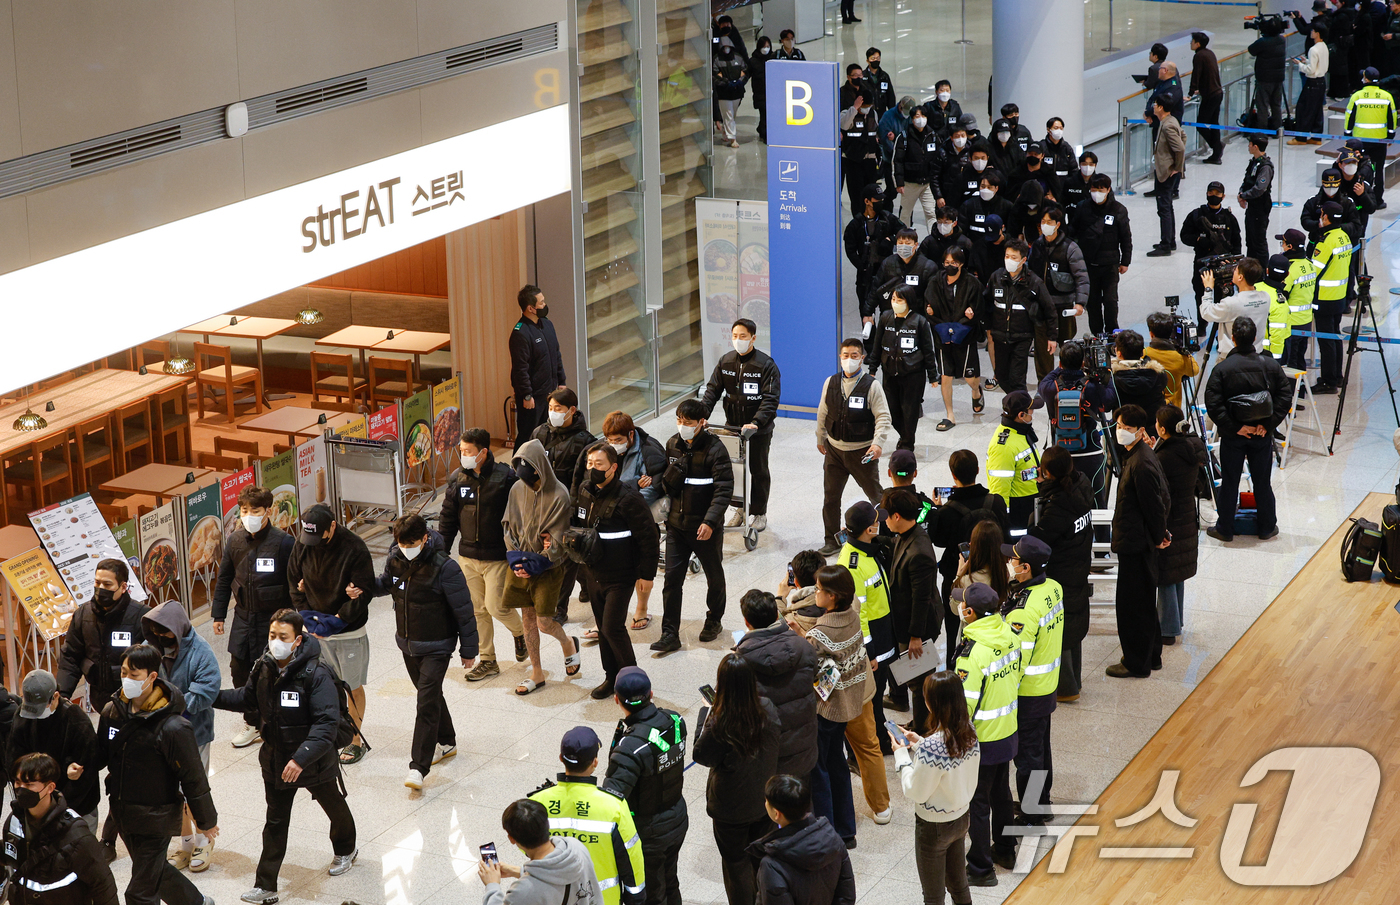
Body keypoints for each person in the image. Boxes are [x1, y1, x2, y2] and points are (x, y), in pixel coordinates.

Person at [213, 610, 357, 902]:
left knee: (333, 805)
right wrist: (210, 696)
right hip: (276, 758)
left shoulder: (316, 674)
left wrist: (301, 758)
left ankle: (346, 849)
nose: (275, 642)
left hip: (313, 759)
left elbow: (326, 724)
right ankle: (266, 886)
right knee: (276, 821)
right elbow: (247, 698)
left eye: (283, 637)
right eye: (272, 635)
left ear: (297, 640)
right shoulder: (264, 666)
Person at [96, 644, 218, 905]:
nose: (126, 679)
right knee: (154, 872)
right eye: (124, 673)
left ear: (152, 677)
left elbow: (193, 776)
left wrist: (206, 820)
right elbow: (99, 754)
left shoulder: (174, 727)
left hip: (156, 817)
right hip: (122, 812)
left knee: (140, 892)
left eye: (134, 675)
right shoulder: (112, 712)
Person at [374, 514, 477, 788]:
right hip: (408, 643)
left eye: (411, 542)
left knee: (425, 702)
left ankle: (418, 767)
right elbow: (387, 584)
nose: (406, 547)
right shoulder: (395, 559)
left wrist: (469, 649)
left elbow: (464, 611)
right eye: (400, 541)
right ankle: (447, 741)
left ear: (425, 538)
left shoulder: (446, 568)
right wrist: (359, 588)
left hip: (438, 645)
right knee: (429, 694)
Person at [787, 566, 873, 849]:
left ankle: (828, 831)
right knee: (837, 762)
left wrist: (800, 639)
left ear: (833, 597)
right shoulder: (852, 615)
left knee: (818, 768)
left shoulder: (821, 632)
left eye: (820, 589)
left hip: (826, 709)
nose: (816, 593)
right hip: (850, 702)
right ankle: (847, 830)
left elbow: (810, 668)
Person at [288, 503, 376, 764]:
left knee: (351, 685)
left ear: (333, 527)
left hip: (348, 631)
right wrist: (307, 616)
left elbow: (364, 591)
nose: (311, 543)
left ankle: (354, 740)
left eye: (318, 536)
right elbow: (293, 581)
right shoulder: (304, 543)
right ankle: (328, 735)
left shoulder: (354, 548)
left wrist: (337, 620)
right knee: (324, 687)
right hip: (315, 630)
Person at [571, 444, 660, 700]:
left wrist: (647, 575)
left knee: (612, 627)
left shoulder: (629, 498)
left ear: (613, 468)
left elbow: (649, 538)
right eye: (589, 463)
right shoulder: (585, 491)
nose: (592, 469)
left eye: (598, 464)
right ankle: (612, 677)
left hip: (621, 575)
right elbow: (578, 523)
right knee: (602, 627)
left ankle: (636, 684)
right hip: (593, 572)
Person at [693, 654, 781, 905]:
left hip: (730, 808)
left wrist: (706, 713)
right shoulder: (768, 708)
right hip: (764, 800)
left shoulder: (721, 722)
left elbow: (701, 754)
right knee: (761, 856)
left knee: (735, 864)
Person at [948, 583, 1020, 887]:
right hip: (1007, 728)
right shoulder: (1009, 634)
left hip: (983, 738)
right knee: (1002, 792)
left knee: (978, 801)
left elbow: (964, 705)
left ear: (969, 612)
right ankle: (1005, 850)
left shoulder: (972, 653)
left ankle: (980, 867)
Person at [140, 600, 220, 873]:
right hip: (160, 735)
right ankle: (186, 843)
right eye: (156, 631)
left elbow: (207, 690)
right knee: (172, 793)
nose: (161, 637)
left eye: (166, 631)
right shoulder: (151, 651)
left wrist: (172, 707)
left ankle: (202, 840)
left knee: (193, 788)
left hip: (193, 733)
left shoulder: (201, 652)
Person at [211, 486, 294, 747]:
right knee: (239, 669)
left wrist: (294, 621)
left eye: (254, 511)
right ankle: (252, 722)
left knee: (273, 671)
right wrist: (218, 615)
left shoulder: (283, 542)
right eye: (244, 510)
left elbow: (293, 584)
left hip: (272, 620)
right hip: (243, 617)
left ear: (268, 511)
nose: (248, 515)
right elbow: (224, 579)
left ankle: (276, 719)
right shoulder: (234, 540)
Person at [443, 427, 525, 682]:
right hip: (467, 556)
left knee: (496, 606)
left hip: (496, 557)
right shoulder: (458, 479)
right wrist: (441, 554)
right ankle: (488, 659)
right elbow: (447, 518)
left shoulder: (506, 478)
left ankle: (519, 631)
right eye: (461, 451)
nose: (463, 455)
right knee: (477, 610)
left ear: (483, 453)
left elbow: (519, 517)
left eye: (468, 451)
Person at [527, 727, 645, 905]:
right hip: (601, 899)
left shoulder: (537, 803)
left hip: (552, 897)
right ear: (595, 762)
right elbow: (630, 855)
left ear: (561, 758)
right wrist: (635, 896)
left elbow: (525, 845)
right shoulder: (613, 806)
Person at [890, 671, 979, 905]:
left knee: (933, 895)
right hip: (961, 818)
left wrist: (901, 754)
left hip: (933, 827)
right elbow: (949, 761)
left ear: (932, 703)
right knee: (959, 885)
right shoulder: (969, 730)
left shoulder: (933, 746)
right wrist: (919, 742)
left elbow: (915, 791)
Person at [603, 667, 687, 905]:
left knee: (653, 893)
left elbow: (612, 799)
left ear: (617, 699)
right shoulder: (676, 720)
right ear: (651, 693)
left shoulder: (630, 746)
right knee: (670, 882)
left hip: (649, 832)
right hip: (678, 818)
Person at [654, 399, 733, 653]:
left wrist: (710, 521)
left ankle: (714, 620)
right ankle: (670, 633)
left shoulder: (715, 450)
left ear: (701, 423)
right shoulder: (672, 445)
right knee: (672, 580)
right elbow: (668, 484)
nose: (682, 427)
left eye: (687, 423)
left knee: (714, 576)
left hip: (704, 528)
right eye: (679, 421)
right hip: (676, 526)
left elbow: (723, 491)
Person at [1205, 318, 1293, 544]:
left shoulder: (1222, 368)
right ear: (1255, 338)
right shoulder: (1270, 365)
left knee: (1230, 481)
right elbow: (1285, 396)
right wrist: (1269, 424)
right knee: (1262, 481)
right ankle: (1266, 527)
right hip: (1262, 435)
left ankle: (1225, 528)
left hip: (1234, 436)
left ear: (1233, 338)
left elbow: (1214, 405)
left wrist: (1236, 427)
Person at [503, 439, 581, 694]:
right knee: (527, 619)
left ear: (540, 470)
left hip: (548, 567)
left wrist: (538, 561)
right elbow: (508, 526)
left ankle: (567, 642)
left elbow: (558, 539)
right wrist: (517, 559)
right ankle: (537, 672)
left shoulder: (559, 494)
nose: (527, 483)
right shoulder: (517, 489)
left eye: (532, 478)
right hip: (520, 563)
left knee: (545, 621)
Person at [998, 537, 1063, 829]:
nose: (1008, 564)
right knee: (1041, 748)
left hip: (1028, 692)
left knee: (1028, 756)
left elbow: (1017, 660)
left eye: (1012, 560)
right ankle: (1041, 802)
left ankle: (1033, 814)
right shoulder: (1053, 587)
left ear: (1025, 568)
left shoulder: (1024, 610)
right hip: (1048, 684)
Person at [832, 503, 897, 780]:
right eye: (876, 521)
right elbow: (860, 616)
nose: (880, 523)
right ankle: (860, 751)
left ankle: (880, 737)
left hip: (884, 633)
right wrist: (869, 652)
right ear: (869, 528)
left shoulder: (867, 550)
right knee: (868, 700)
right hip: (873, 644)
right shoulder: (851, 564)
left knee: (878, 696)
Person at [1106, 405, 1171, 679]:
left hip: (1136, 543)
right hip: (1139, 539)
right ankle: (1151, 655)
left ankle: (1136, 662)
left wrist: (1159, 536)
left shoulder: (1141, 463)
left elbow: (1154, 505)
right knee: (1144, 601)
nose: (1120, 431)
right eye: (1118, 425)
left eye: (1126, 428)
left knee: (1133, 607)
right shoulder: (1140, 454)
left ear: (1141, 430)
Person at [2, 752, 119, 905]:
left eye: (29, 784)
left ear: (50, 787)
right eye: (17, 783)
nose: (21, 789)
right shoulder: (14, 821)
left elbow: (103, 886)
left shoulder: (77, 835)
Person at [1026, 448, 1094, 702]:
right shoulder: (1081, 484)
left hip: (1061, 570)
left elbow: (1039, 538)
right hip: (1078, 562)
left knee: (1061, 627)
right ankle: (1073, 680)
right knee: (1073, 622)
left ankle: (1066, 687)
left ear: (1048, 473)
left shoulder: (1059, 504)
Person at [701, 317, 781, 532]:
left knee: (758, 469)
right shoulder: (725, 362)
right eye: (735, 336)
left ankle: (759, 512)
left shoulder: (765, 364)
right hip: (732, 427)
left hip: (758, 429)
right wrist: (702, 415)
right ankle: (740, 508)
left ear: (753, 338)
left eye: (743, 336)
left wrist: (756, 422)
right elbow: (712, 391)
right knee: (733, 469)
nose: (738, 340)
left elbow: (770, 399)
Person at [816, 338, 891, 557]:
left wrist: (877, 444)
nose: (849, 359)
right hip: (834, 452)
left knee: (877, 497)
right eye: (845, 355)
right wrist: (820, 437)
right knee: (830, 498)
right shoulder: (830, 382)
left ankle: (886, 536)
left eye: (854, 356)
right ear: (840, 357)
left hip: (863, 452)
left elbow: (883, 417)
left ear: (862, 358)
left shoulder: (872, 385)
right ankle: (831, 540)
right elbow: (823, 411)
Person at [930, 451, 1008, 663]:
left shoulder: (947, 512)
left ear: (953, 476)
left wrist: (937, 511)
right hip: (996, 574)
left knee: (955, 631)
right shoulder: (997, 502)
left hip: (960, 578)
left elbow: (938, 540)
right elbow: (1006, 535)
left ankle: (955, 671)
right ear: (977, 471)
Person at [734, 589, 819, 778]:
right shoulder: (804, 646)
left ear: (747, 622)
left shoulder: (740, 663)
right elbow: (815, 677)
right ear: (776, 615)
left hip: (767, 755)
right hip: (804, 748)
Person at [593, 413, 666, 633]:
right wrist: (635, 484)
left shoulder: (650, 452)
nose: (613, 445)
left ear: (630, 435)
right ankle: (608, 619)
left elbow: (654, 488)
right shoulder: (602, 451)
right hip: (611, 519)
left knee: (641, 566)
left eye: (618, 440)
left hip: (638, 516)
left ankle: (641, 609)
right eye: (610, 440)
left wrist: (622, 502)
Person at [531, 386, 597, 624]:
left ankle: (559, 608)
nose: (553, 413)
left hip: (568, 507)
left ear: (572, 410)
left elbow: (584, 480)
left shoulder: (585, 442)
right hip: (542, 504)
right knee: (569, 555)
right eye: (550, 408)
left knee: (565, 558)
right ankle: (588, 584)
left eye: (558, 409)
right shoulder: (540, 433)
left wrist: (575, 509)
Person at [5, 670, 100, 832]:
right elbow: (13, 761)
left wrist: (57, 809)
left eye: (40, 708)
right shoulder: (22, 716)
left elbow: (87, 774)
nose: (34, 715)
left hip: (77, 806)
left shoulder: (77, 722)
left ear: (55, 696)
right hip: (36, 804)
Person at [883, 489, 940, 738]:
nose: (883, 520)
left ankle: (923, 728)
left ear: (896, 516)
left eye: (885, 515)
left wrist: (915, 636)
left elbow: (921, 598)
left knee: (919, 681)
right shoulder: (907, 533)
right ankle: (921, 723)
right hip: (908, 621)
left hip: (918, 626)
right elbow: (894, 545)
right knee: (917, 677)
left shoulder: (919, 553)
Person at [750, 775, 856, 905]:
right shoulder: (834, 838)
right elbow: (846, 895)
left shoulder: (772, 865)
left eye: (767, 801)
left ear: (777, 814)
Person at [56, 558, 146, 710]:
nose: (100, 588)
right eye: (97, 583)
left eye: (107, 584)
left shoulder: (141, 617)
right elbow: (70, 657)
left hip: (133, 702)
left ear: (123, 587)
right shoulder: (83, 615)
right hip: (100, 701)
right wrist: (62, 695)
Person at [1153, 405, 1208, 646]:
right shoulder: (1192, 446)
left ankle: (1167, 628)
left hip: (1171, 517)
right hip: (1187, 516)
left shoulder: (1165, 456)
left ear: (1162, 429)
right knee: (1178, 573)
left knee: (1166, 573)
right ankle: (1176, 621)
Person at [479, 799, 603, 905]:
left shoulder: (522, 893)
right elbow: (558, 877)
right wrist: (518, 871)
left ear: (511, 838)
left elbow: (539, 889)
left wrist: (492, 886)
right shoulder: (576, 846)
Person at [866, 287, 939, 451]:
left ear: (908, 301)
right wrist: (873, 368)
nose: (895, 303)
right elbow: (877, 345)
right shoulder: (885, 318)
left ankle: (907, 444)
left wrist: (933, 376)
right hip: (890, 372)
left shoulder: (920, 322)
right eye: (893, 299)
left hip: (913, 374)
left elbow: (928, 351)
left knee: (910, 411)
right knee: (891, 410)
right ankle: (905, 437)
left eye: (900, 300)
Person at [985, 238, 1056, 394]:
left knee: (1017, 378)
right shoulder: (996, 277)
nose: (1009, 260)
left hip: (1022, 337)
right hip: (999, 335)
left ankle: (1019, 410)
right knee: (1002, 376)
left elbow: (1049, 309)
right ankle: (1017, 404)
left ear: (1023, 260)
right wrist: (988, 327)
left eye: (1014, 257)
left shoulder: (1034, 282)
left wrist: (1052, 336)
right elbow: (986, 303)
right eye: (1007, 256)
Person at [925, 247, 985, 429]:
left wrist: (966, 319)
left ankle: (976, 391)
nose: (950, 266)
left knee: (970, 378)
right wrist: (943, 327)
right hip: (942, 335)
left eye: (954, 263)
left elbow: (977, 309)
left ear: (961, 264)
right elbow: (929, 307)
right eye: (947, 263)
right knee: (946, 376)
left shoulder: (972, 284)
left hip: (964, 335)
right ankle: (950, 415)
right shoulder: (935, 281)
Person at [1030, 208, 1088, 381]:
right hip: (1041, 307)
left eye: (1049, 222)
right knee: (1042, 349)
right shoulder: (1036, 246)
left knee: (1066, 346)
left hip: (1063, 306)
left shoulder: (1070, 248)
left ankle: (1070, 378)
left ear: (1058, 224)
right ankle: (1045, 382)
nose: (1045, 225)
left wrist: (1080, 303)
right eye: (1043, 222)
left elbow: (1082, 278)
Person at [1072, 173, 1132, 334]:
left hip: (1110, 264)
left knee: (1111, 301)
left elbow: (1125, 237)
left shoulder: (1118, 210)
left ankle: (1112, 331)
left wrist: (1125, 261)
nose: (1097, 192)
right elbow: (1073, 231)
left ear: (1108, 189)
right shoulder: (1082, 207)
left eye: (1101, 189)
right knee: (1093, 303)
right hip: (1088, 264)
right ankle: (1097, 334)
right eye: (1094, 188)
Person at [509, 284, 566, 450]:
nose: (545, 305)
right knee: (528, 434)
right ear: (530, 308)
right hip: (533, 397)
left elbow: (556, 354)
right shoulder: (520, 333)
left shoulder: (547, 324)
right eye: (541, 303)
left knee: (548, 432)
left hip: (550, 391)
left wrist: (561, 380)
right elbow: (520, 369)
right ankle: (519, 468)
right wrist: (527, 395)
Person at [1179, 181, 1242, 325]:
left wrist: (1235, 263)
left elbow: (1237, 241)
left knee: (1224, 299)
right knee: (1200, 295)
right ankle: (1202, 325)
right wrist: (1198, 240)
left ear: (1223, 196)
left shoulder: (1229, 218)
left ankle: (1221, 327)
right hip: (1203, 262)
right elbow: (1184, 236)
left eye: (1217, 193)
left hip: (1224, 265)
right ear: (1207, 194)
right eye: (1211, 193)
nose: (1214, 196)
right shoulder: (1196, 215)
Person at [1309, 201, 1356, 394]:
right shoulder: (1344, 237)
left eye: (1321, 214)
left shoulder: (1326, 241)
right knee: (1335, 336)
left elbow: (1314, 271)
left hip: (1325, 298)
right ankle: (1337, 376)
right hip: (1339, 296)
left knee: (1326, 339)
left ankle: (1329, 381)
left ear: (1326, 217)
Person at [987, 390, 1043, 532]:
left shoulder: (1020, 431)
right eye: (1031, 411)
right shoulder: (1003, 447)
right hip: (1018, 512)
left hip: (1030, 503)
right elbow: (999, 489)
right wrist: (1003, 521)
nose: (1033, 415)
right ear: (1021, 415)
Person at [843, 188, 904, 314]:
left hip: (887, 272)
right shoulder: (855, 224)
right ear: (867, 201)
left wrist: (890, 239)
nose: (881, 201)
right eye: (878, 199)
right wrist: (861, 266)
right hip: (866, 275)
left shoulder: (887, 218)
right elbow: (850, 249)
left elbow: (904, 232)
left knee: (888, 312)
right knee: (866, 313)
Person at [1345, 66, 1398, 208]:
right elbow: (1392, 118)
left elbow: (1349, 116)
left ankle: (1357, 199)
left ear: (1366, 79)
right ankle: (1378, 200)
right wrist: (1390, 136)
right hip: (1380, 140)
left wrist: (1347, 135)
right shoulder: (1387, 96)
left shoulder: (1357, 96)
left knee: (1358, 169)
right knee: (1378, 170)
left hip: (1359, 141)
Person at [866, 228, 940, 326]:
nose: (903, 246)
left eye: (908, 243)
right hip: (891, 316)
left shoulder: (928, 266)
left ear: (915, 245)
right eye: (900, 243)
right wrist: (867, 312)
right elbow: (875, 288)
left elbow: (933, 296)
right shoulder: (888, 263)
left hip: (917, 318)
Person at [1200, 256, 1270, 354]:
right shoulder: (1266, 298)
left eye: (1235, 270)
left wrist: (1208, 289)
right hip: (1256, 354)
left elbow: (1206, 312)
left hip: (1231, 357)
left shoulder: (1231, 304)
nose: (1232, 271)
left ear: (1240, 277)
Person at [1273, 229, 1319, 373]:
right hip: (1305, 321)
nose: (1282, 246)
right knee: (1300, 359)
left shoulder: (1290, 269)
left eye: (1284, 243)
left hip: (1291, 323)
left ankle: (1292, 393)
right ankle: (1301, 390)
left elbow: (1281, 295)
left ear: (1290, 247)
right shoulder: (1309, 264)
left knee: (1290, 364)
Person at [1144, 99, 1184, 258]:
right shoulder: (1170, 120)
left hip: (1166, 173)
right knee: (1167, 206)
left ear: (1161, 107)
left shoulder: (1167, 125)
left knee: (1164, 208)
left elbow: (1180, 148)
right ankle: (1170, 240)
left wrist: (1176, 167)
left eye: (1155, 104)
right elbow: (1184, 136)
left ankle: (1166, 244)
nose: (1153, 106)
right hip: (1167, 170)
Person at [1110, 330, 1170, 434]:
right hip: (1153, 433)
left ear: (1118, 353)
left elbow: (1106, 405)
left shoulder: (1112, 378)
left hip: (1122, 435)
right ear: (1142, 352)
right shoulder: (1158, 375)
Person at [893, 105, 943, 229]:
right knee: (905, 214)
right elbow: (897, 161)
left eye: (923, 116)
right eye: (917, 116)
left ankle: (933, 240)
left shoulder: (933, 136)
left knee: (931, 213)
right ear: (912, 118)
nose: (921, 119)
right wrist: (899, 183)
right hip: (909, 184)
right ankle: (904, 240)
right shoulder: (904, 137)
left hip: (927, 184)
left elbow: (939, 159)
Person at [1142, 312, 1201, 409]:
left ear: (1151, 334)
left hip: (1150, 409)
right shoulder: (1180, 357)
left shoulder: (1144, 354)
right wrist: (1186, 351)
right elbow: (1194, 370)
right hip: (1172, 412)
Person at [840, 90, 882, 213]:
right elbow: (844, 125)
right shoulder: (847, 113)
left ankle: (871, 218)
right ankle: (858, 220)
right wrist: (854, 108)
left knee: (871, 193)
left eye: (868, 107)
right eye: (864, 107)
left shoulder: (873, 114)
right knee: (856, 195)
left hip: (869, 160)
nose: (866, 109)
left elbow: (875, 130)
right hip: (853, 161)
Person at [1237, 136, 1274, 268]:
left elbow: (1260, 188)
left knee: (1259, 242)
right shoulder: (1254, 162)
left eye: (1250, 144)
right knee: (1250, 241)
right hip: (1252, 207)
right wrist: (1241, 193)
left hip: (1260, 207)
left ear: (1255, 146)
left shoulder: (1265, 166)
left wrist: (1244, 196)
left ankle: (1263, 272)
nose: (1248, 146)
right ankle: (1251, 270)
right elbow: (1247, 180)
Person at [1188, 32, 1225, 164]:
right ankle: (1216, 153)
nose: (1190, 43)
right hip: (1217, 92)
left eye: (1192, 41)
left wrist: (1190, 93)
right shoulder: (1209, 53)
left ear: (1197, 43)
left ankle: (1217, 147)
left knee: (1201, 124)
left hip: (1210, 95)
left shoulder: (1199, 55)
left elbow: (1196, 74)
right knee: (1214, 123)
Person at [1292, 22, 1330, 143]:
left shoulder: (1313, 49)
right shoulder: (1323, 46)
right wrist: (1307, 61)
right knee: (1317, 110)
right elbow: (1319, 65)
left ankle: (1300, 137)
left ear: (1317, 33)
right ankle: (1316, 136)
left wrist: (1300, 64)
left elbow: (1311, 70)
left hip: (1312, 83)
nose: (1311, 32)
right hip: (1321, 82)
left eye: (1313, 31)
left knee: (1303, 109)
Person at [1247, 14, 1287, 130]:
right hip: (1278, 78)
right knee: (1276, 105)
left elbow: (1251, 50)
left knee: (1263, 105)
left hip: (1265, 79)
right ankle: (1277, 128)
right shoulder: (1282, 40)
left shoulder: (1263, 42)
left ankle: (1262, 130)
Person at [713, 43, 747, 148]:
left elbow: (744, 71)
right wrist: (725, 82)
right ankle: (732, 138)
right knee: (728, 115)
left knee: (733, 114)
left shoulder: (738, 58)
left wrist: (739, 82)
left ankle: (725, 133)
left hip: (737, 92)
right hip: (724, 93)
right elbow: (715, 74)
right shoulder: (717, 59)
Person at [862, 48, 896, 116]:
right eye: (873, 58)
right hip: (867, 113)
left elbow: (890, 96)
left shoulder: (884, 76)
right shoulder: (862, 76)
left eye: (878, 58)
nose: (876, 60)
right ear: (867, 60)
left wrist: (892, 113)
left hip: (882, 113)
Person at [750, 36, 771, 143]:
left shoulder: (773, 59)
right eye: (763, 46)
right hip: (760, 93)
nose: (766, 49)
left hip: (772, 93)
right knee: (764, 113)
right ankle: (764, 133)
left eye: (767, 46)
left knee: (768, 114)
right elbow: (746, 74)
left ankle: (762, 130)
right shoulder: (753, 61)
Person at [1041, 117, 1075, 184]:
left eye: (1061, 128)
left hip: (1064, 186)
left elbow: (1073, 169)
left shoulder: (1067, 148)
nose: (1059, 131)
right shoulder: (1042, 146)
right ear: (1048, 130)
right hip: (1046, 186)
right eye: (1056, 128)